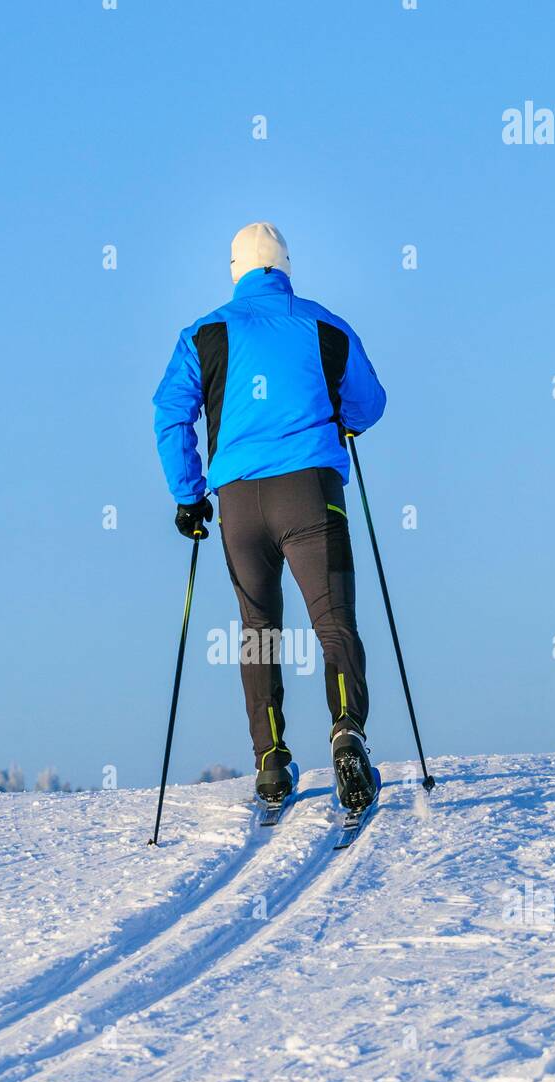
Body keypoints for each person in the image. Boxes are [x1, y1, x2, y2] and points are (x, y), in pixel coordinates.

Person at [153, 222, 386, 811]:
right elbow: (370, 403)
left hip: (238, 502)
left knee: (258, 630)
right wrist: (342, 418)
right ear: (286, 265)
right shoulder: (324, 323)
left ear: (235, 271)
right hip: (310, 490)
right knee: (333, 622)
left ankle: (270, 760)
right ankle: (346, 731)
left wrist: (188, 495)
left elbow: (169, 414)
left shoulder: (202, 333)